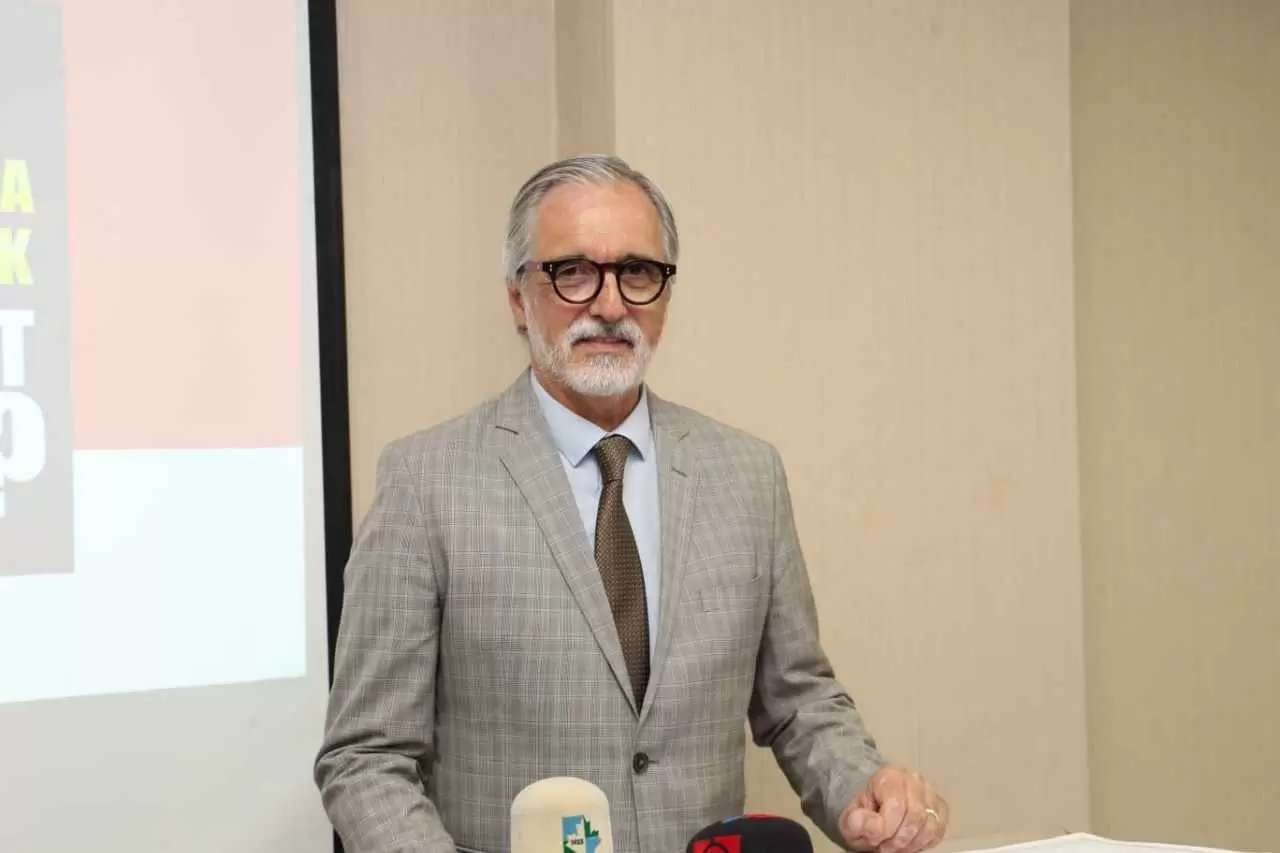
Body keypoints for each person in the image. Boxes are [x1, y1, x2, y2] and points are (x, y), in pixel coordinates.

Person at [315, 155, 950, 853]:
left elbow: (799, 702)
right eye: (573, 272)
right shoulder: (425, 481)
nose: (611, 305)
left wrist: (862, 786)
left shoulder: (748, 474)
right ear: (518, 297)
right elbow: (365, 758)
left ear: (665, 296)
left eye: (637, 272)